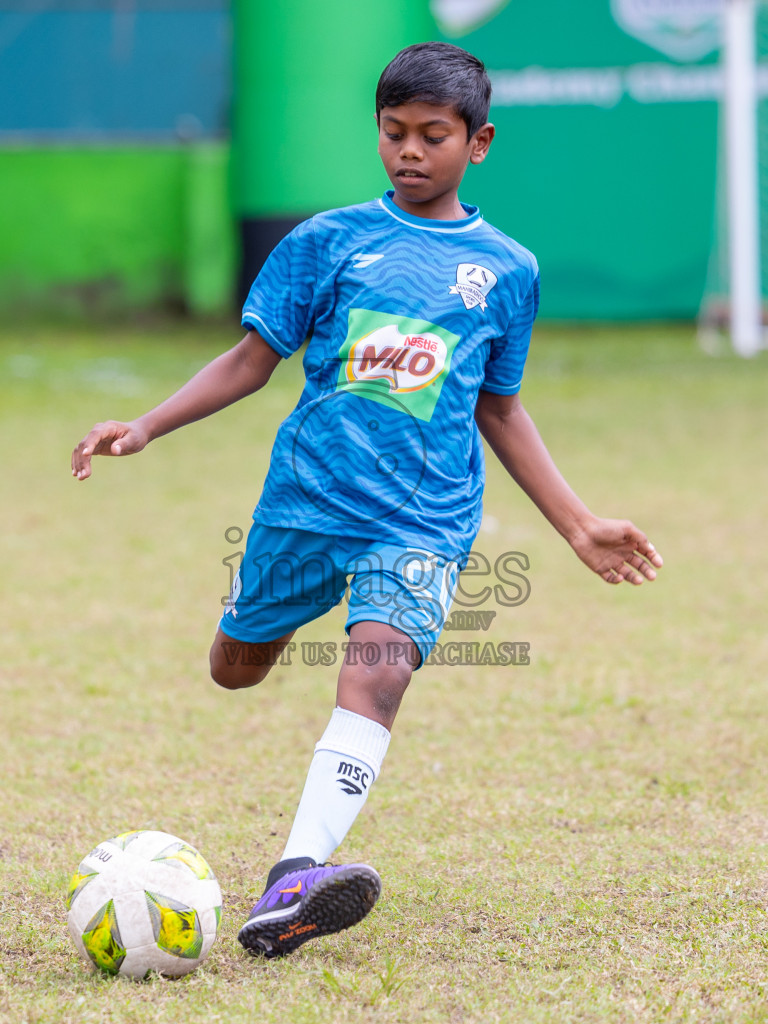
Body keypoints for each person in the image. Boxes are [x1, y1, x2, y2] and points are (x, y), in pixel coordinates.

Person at [69, 42, 663, 954]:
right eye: (394, 134)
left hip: (422, 520)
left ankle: (293, 879)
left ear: (480, 143)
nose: (410, 152)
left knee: (379, 672)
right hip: (307, 502)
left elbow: (500, 409)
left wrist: (579, 522)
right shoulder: (327, 241)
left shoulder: (508, 270)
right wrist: (147, 425)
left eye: (433, 136)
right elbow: (249, 362)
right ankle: (264, 620)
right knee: (236, 666)